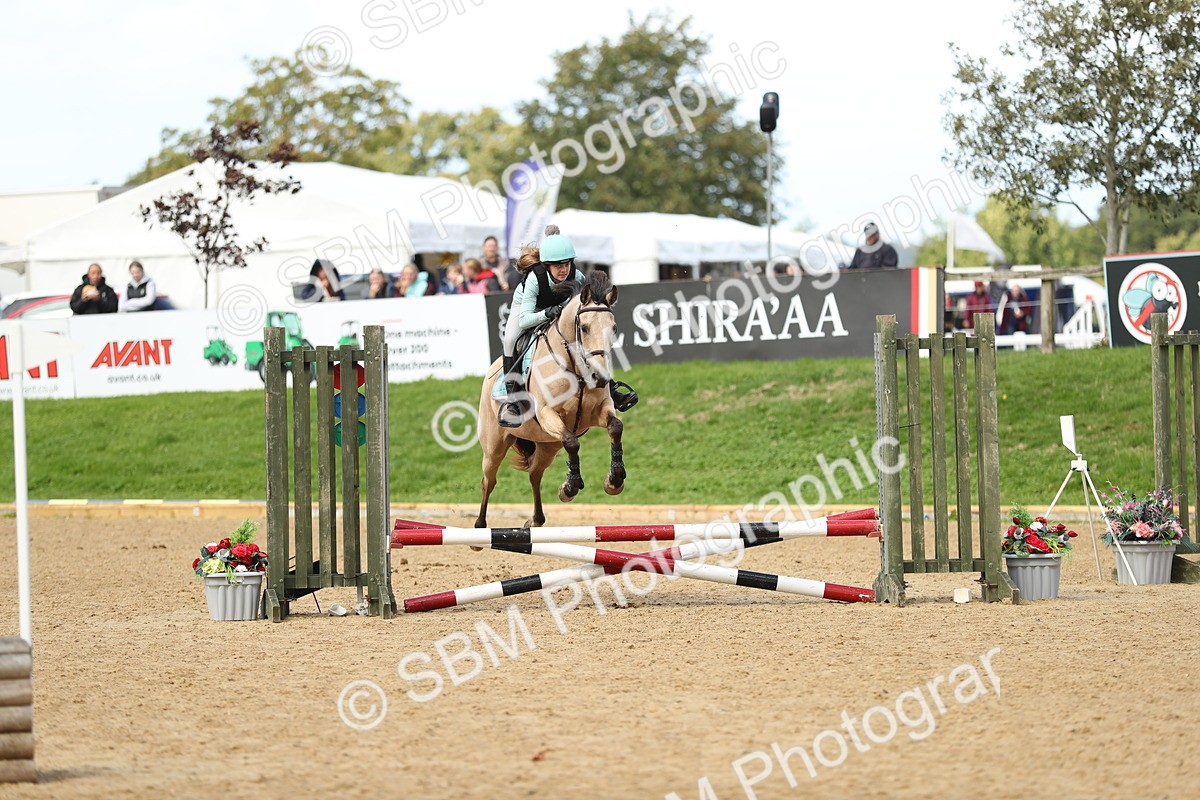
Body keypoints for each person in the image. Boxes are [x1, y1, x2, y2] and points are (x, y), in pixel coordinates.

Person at [497, 225, 586, 427]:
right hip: (529, 309)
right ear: (546, 265)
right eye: (557, 266)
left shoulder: (577, 276)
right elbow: (525, 320)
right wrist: (546, 313)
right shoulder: (534, 279)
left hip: (557, 308)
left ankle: (608, 386)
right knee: (510, 339)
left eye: (567, 264)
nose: (564, 270)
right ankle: (512, 400)